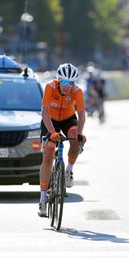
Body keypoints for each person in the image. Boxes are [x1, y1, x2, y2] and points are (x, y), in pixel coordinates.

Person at [38, 63, 86, 217]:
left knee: (74, 137)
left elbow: (82, 116)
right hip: (50, 120)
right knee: (49, 153)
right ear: (59, 80)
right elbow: (44, 112)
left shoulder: (77, 91)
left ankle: (69, 170)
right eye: (64, 82)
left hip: (68, 119)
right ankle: (43, 199)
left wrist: (80, 133)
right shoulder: (50, 87)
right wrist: (52, 132)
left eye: (70, 83)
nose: (67, 86)